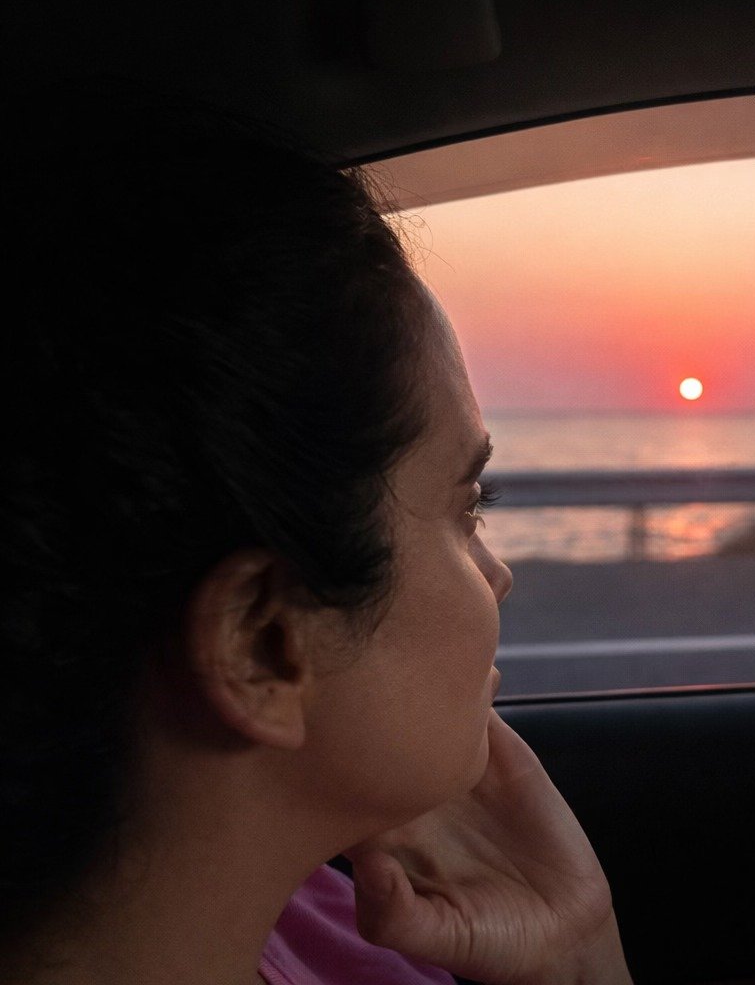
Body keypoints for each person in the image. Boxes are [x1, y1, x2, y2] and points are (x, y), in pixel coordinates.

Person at [0, 95, 633, 985]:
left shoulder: (308, 915)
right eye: (467, 508)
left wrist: (575, 955)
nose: (497, 577)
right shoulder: (349, 934)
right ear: (263, 642)